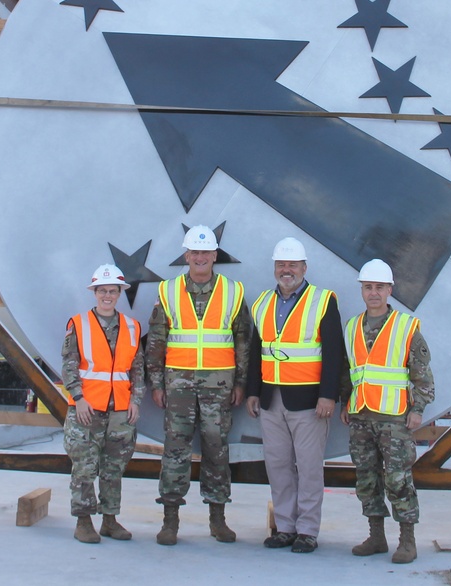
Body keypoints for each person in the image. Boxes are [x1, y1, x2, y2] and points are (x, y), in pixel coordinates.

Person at [146, 224, 251, 545]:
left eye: (206, 252)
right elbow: (156, 340)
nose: (201, 257)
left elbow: (243, 340)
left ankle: (217, 519)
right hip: (177, 384)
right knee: (175, 450)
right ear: (187, 255)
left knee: (216, 449)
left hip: (220, 385)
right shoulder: (168, 291)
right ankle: (170, 520)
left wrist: (241, 382)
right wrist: (156, 383)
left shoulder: (233, 291)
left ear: (215, 255)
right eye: (195, 252)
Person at [246, 237, 344, 554]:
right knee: (277, 465)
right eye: (281, 265)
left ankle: (307, 531)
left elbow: (334, 354)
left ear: (304, 267)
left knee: (309, 466)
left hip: (308, 403)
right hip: (271, 400)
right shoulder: (262, 303)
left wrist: (328, 396)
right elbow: (254, 353)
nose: (286, 270)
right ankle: (285, 527)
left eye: (292, 265)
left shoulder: (323, 300)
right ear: (275, 268)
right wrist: (252, 392)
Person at [340, 259, 434, 564]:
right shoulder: (353, 326)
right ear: (362, 291)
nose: (373, 293)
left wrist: (417, 409)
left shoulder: (406, 327)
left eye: (379, 287)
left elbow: (422, 375)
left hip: (394, 418)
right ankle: (376, 536)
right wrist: (346, 403)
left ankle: (407, 540)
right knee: (367, 479)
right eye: (368, 287)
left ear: (390, 290)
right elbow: (349, 371)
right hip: (361, 416)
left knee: (398, 479)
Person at [62, 264, 144, 544]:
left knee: (114, 468)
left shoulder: (132, 327)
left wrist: (136, 400)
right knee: (84, 466)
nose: (108, 295)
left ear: (120, 292)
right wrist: (78, 399)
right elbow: (70, 365)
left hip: (120, 410)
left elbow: (137, 368)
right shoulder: (79, 323)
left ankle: (110, 520)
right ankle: (83, 522)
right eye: (103, 291)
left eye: (113, 290)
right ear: (95, 292)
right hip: (87, 408)